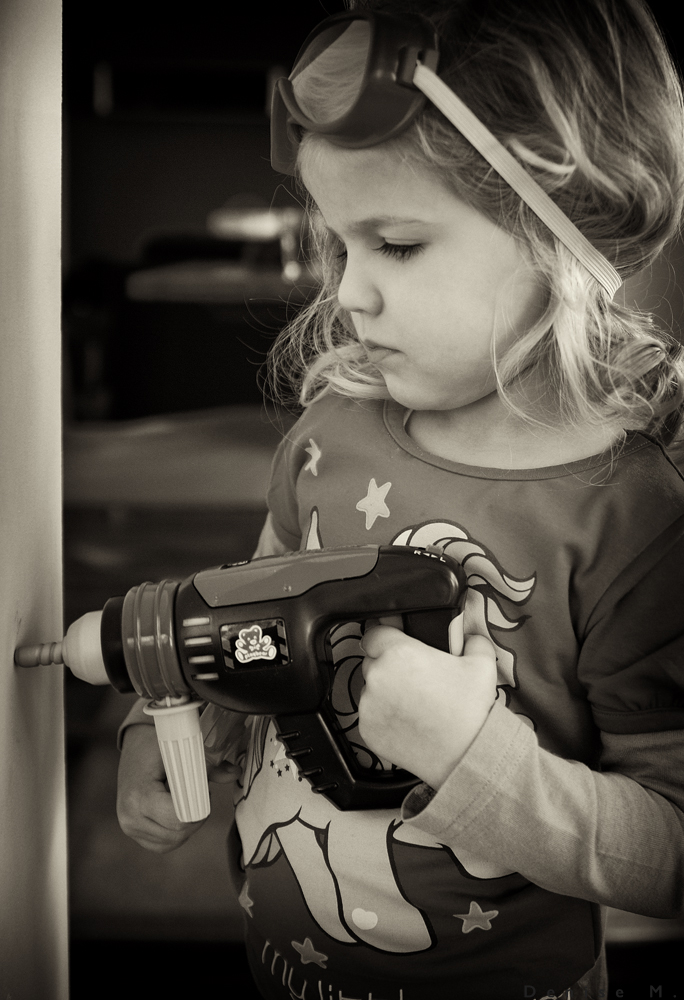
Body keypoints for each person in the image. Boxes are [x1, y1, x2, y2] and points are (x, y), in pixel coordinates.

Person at [116, 1, 684, 997]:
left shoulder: (633, 520)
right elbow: (239, 620)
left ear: (569, 236)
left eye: (398, 245)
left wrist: (471, 758)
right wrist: (165, 726)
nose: (348, 295)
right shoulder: (333, 430)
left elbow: (669, 850)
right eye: (339, 246)